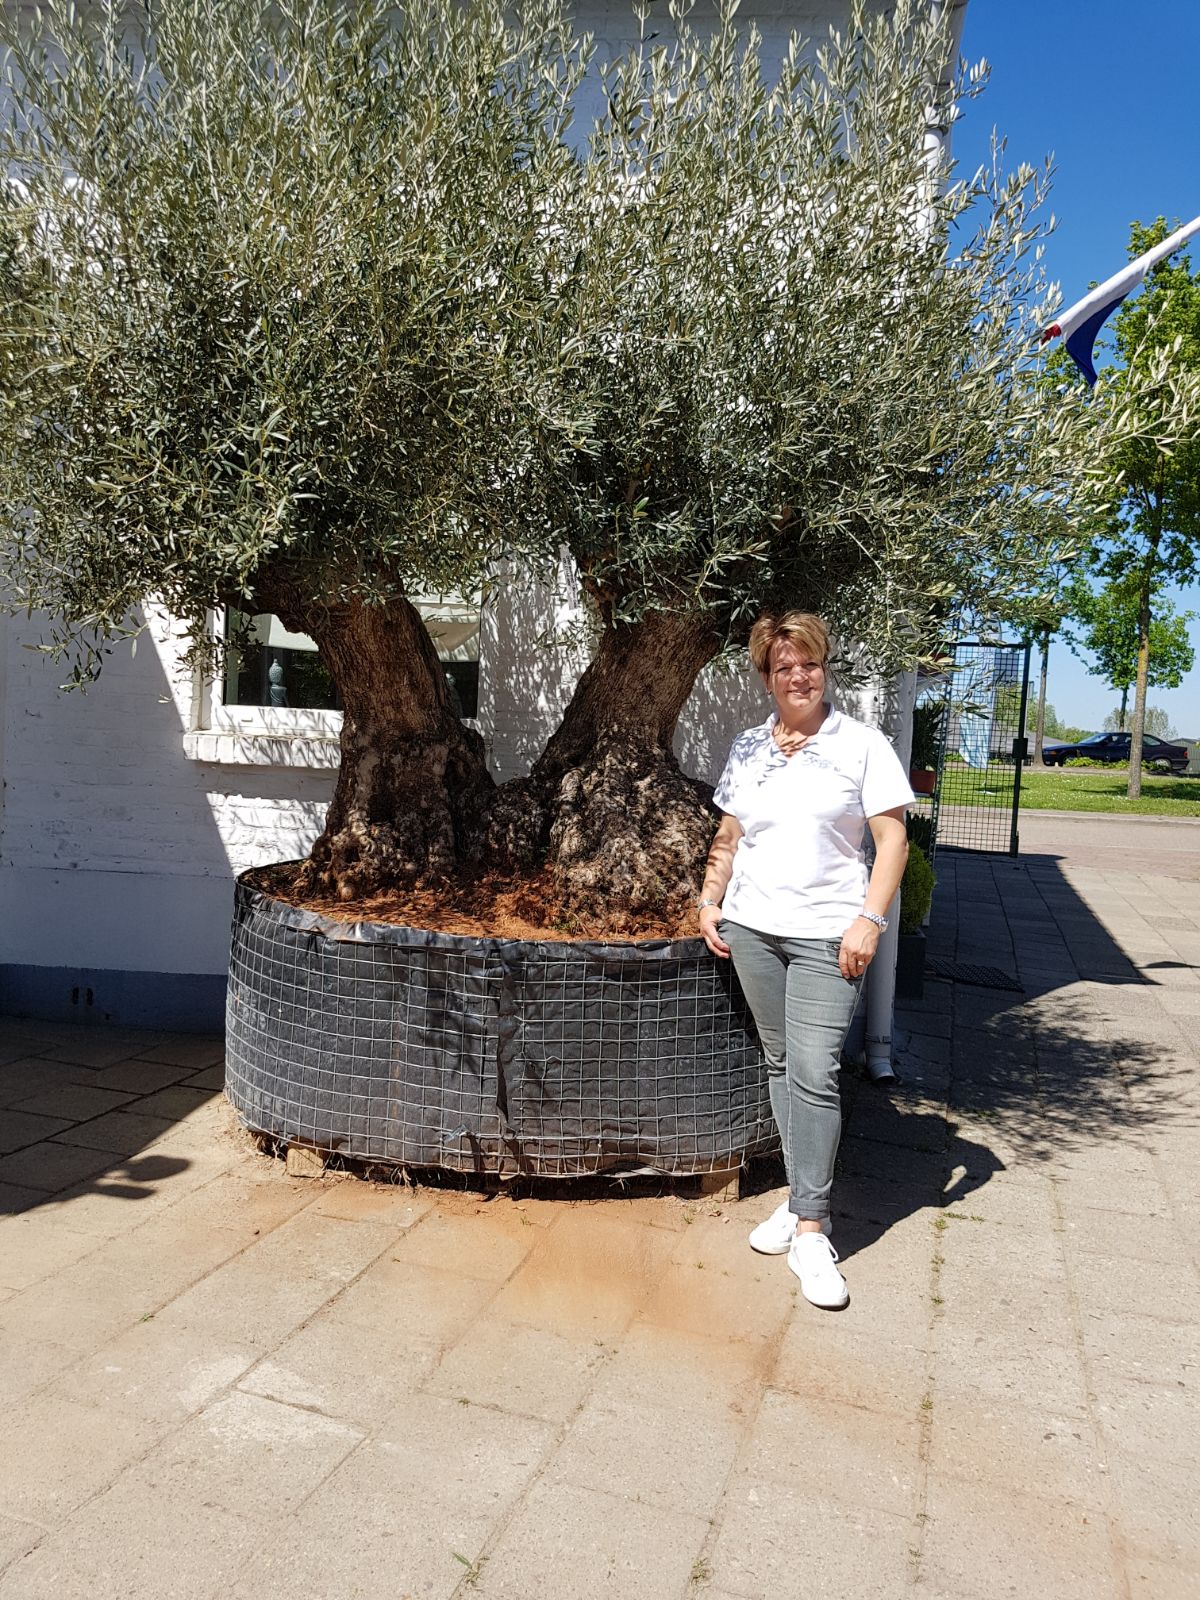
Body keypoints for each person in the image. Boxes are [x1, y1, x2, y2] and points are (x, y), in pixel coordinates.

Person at [699, 611, 912, 1309]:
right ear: (766, 676)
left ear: (825, 669)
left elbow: (893, 841)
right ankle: (797, 1201)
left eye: (810, 664)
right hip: (754, 927)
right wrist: (710, 900)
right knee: (780, 1061)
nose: (799, 676)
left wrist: (869, 920)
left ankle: (814, 1228)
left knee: (816, 1071)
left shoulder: (860, 744)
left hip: (828, 935)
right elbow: (730, 833)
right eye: (784, 666)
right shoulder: (749, 746)